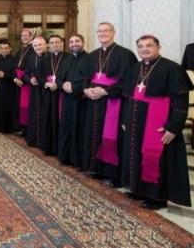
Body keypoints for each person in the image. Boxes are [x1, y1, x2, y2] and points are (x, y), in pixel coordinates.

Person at [121, 35, 192, 209]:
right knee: (136, 154)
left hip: (158, 122)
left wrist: (174, 126)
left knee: (157, 158)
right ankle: (138, 189)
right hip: (136, 121)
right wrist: (125, 120)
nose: (144, 49)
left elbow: (181, 101)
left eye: (149, 46)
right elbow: (127, 98)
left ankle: (157, 197)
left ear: (158, 47)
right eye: (141, 46)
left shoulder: (172, 68)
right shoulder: (134, 68)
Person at [80, 22, 137, 185]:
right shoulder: (92, 55)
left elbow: (129, 80)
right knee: (94, 132)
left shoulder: (125, 54)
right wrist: (85, 90)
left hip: (114, 101)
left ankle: (113, 175)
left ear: (114, 32)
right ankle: (96, 168)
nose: (102, 34)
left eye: (106, 31)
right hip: (93, 101)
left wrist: (106, 91)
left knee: (112, 136)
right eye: (100, 31)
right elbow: (85, 77)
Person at [58, 34, 88, 166]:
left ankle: (78, 160)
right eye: (71, 42)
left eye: (77, 41)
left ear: (83, 43)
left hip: (81, 100)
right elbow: (59, 78)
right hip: (67, 98)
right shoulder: (66, 59)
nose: (74, 44)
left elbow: (88, 79)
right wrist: (62, 85)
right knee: (66, 126)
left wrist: (74, 88)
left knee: (78, 128)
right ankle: (65, 156)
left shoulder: (89, 59)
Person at [38, 35, 68, 155]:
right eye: (52, 42)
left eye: (57, 42)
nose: (55, 44)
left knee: (61, 120)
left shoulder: (69, 58)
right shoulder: (45, 59)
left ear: (62, 43)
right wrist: (47, 83)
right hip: (48, 94)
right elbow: (39, 77)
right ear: (49, 45)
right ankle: (48, 147)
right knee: (48, 119)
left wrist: (58, 84)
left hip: (62, 95)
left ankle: (60, 148)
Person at [23, 36, 47, 148]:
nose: (38, 47)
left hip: (45, 91)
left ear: (45, 45)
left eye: (40, 45)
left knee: (45, 115)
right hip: (34, 91)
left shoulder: (50, 57)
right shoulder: (31, 58)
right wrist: (30, 79)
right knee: (33, 115)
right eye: (35, 45)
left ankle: (44, 142)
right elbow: (26, 73)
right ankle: (33, 140)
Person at [13, 29, 35, 134]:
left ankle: (27, 129)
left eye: (26, 36)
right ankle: (20, 126)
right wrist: (15, 78)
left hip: (26, 83)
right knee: (18, 104)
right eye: (23, 36)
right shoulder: (19, 50)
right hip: (17, 82)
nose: (24, 38)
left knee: (27, 105)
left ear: (31, 37)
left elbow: (31, 68)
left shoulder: (34, 49)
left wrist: (22, 79)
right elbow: (13, 66)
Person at [0, 42, 15, 133]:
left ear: (10, 49)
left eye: (6, 48)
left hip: (10, 87)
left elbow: (15, 73)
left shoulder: (14, 59)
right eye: (2, 48)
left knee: (7, 107)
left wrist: (4, 74)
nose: (4, 50)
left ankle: (8, 128)